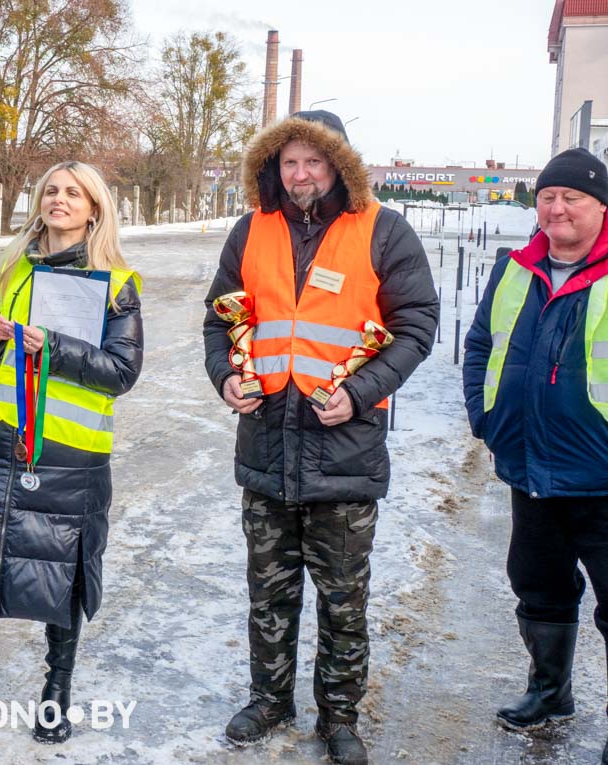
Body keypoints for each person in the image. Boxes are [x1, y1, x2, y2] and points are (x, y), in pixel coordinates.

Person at [202, 111, 438, 765]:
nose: (301, 174)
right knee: (269, 590)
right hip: (267, 445)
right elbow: (220, 319)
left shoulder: (383, 231)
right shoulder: (251, 231)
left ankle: (339, 716)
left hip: (344, 448)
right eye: (289, 162)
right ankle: (270, 697)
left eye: (313, 161)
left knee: (342, 599)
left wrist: (360, 392)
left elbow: (417, 322)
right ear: (274, 168)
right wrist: (225, 375)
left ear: (339, 166)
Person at [0, 160, 144, 744]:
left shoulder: (117, 282)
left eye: (73, 193)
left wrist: (54, 346)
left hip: (70, 451)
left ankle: (57, 691)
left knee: (63, 571)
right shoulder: (14, 270)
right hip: (1, 440)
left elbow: (122, 372)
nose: (59, 200)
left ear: (93, 208)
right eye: (51, 191)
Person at [463, 148, 608, 762]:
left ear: (601, 206)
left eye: (571, 197)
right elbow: (479, 346)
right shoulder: (515, 270)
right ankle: (550, 692)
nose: (556, 207)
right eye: (548, 196)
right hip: (529, 468)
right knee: (540, 588)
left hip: (601, 478)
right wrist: (486, 417)